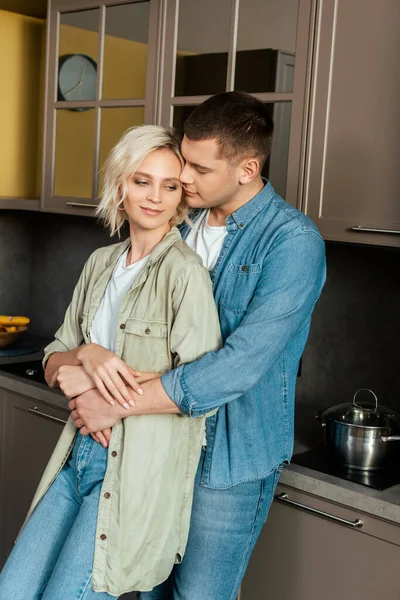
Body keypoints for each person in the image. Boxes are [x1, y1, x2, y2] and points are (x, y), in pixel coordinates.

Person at [68, 91, 327, 599]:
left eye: (199, 168)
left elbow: (241, 364)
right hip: (156, 444)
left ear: (248, 168)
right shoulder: (178, 221)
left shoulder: (292, 242)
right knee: (145, 588)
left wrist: (115, 406)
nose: (183, 178)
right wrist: (83, 357)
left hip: (227, 461)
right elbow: (117, 317)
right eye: (183, 160)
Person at [0, 125, 222, 599]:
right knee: (13, 589)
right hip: (74, 455)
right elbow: (52, 358)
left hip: (131, 471)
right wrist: (87, 355)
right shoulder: (101, 262)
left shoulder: (185, 273)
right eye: (142, 181)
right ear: (121, 184)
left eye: (169, 185)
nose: (155, 197)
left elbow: (200, 389)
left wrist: (96, 389)